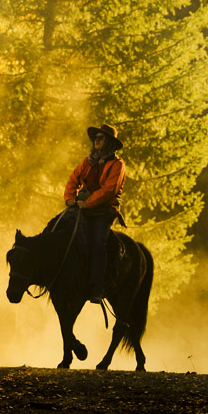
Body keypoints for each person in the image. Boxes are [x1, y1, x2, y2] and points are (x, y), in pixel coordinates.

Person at [64, 123, 126, 304]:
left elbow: (109, 190)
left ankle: (97, 288)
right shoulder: (88, 161)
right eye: (96, 138)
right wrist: (69, 198)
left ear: (109, 143)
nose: (96, 141)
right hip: (83, 205)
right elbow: (73, 179)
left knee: (98, 244)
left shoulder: (117, 164)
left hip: (103, 210)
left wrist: (87, 203)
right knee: (59, 229)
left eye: (100, 138)